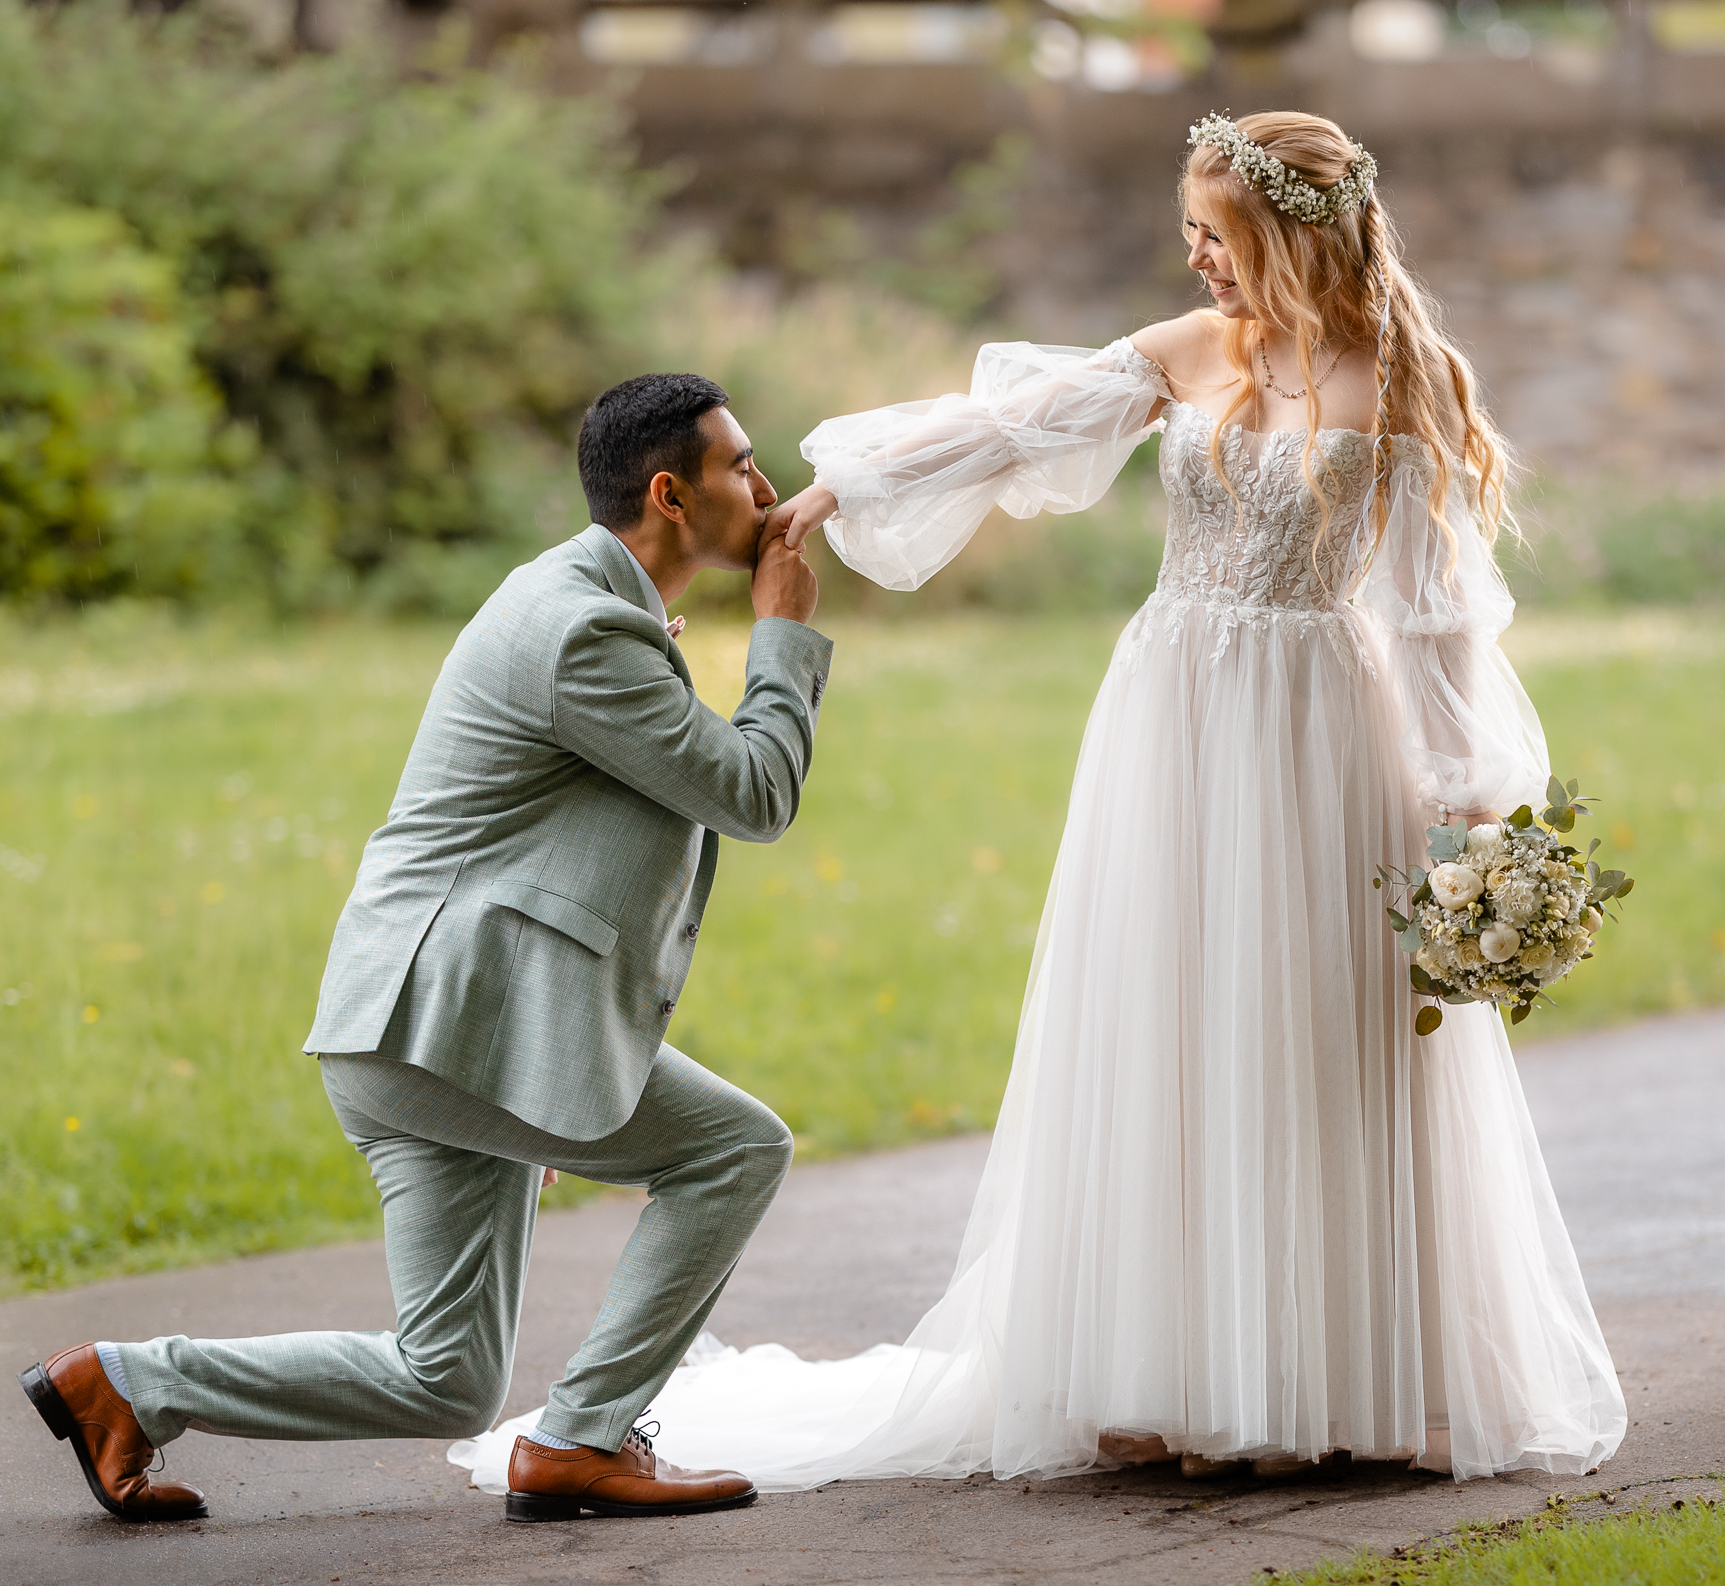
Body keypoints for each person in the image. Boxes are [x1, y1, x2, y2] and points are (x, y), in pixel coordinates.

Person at [459, 109, 1626, 1493]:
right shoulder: (1191, 352)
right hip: (1177, 719)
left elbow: (1439, 619)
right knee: (1167, 1026)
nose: (1197, 261)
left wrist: (1469, 818)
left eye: (1219, 237)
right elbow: (1012, 424)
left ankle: (1310, 1373)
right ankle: (1155, 1374)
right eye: (1191, 235)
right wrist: (841, 487)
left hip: (1326, 731)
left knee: (1311, 1027)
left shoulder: (1414, 379)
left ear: (1294, 233)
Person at [20, 373, 834, 1524]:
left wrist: (534, 1083)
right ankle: (584, 1439)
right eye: (740, 465)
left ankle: (126, 1382)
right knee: (733, 1150)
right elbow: (754, 793)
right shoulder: (583, 628)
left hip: (432, 1033)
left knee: (445, 1375)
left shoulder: (583, 600)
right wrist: (783, 633)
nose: (765, 486)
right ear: (667, 490)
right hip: (440, 1029)